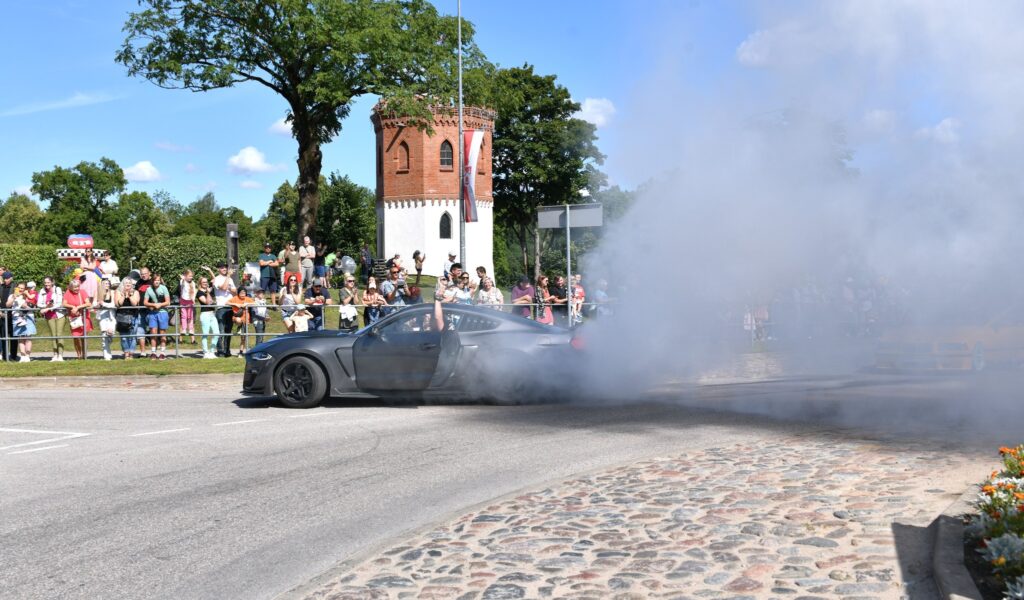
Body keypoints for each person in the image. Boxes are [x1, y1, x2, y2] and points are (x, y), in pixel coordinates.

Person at [207, 262, 237, 357]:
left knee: (228, 331)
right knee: (220, 331)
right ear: (218, 269)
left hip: (230, 307)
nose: (224, 269)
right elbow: (224, 288)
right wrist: (227, 282)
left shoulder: (230, 279)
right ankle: (220, 351)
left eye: (225, 267)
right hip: (221, 307)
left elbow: (235, 292)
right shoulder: (216, 279)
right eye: (222, 267)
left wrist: (228, 286)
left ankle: (227, 351)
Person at [35, 276, 65, 361]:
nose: (46, 284)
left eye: (48, 282)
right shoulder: (42, 291)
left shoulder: (57, 289)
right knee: (53, 335)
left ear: (52, 282)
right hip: (49, 315)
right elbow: (39, 304)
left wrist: (47, 308)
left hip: (59, 314)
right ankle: (55, 354)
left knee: (59, 334)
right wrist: (47, 306)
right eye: (45, 283)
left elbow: (59, 303)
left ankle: (60, 355)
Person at [63, 277, 92, 359]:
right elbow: (64, 304)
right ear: (71, 287)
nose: (77, 289)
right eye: (75, 287)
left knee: (83, 337)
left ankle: (84, 355)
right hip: (74, 318)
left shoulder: (82, 292)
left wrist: (78, 307)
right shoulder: (68, 293)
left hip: (83, 317)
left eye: (78, 287)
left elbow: (88, 303)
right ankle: (78, 354)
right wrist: (72, 306)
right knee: (75, 337)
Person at [144, 274, 172, 360]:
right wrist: (153, 304)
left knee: (162, 332)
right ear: (152, 281)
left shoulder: (164, 288)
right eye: (155, 280)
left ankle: (163, 352)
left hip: (163, 312)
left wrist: (160, 304)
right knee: (153, 332)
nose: (157, 282)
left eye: (158, 280)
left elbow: (168, 302)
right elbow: (145, 302)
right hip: (153, 313)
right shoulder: (148, 289)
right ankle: (153, 352)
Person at [7, 282, 35, 362]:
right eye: (19, 288)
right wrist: (13, 298)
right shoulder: (12, 295)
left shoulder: (29, 296)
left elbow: (32, 306)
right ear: (16, 288)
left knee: (28, 337)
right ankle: (22, 356)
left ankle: (27, 356)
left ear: (25, 289)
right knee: (20, 338)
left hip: (28, 317)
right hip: (17, 318)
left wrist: (26, 304)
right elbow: (8, 305)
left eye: (22, 288)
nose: (20, 289)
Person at [116, 278, 142, 359]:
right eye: (126, 283)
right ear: (123, 284)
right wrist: (124, 295)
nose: (128, 284)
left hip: (133, 316)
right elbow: (118, 304)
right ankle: (126, 353)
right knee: (124, 337)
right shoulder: (118, 292)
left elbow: (135, 304)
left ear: (132, 284)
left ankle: (131, 353)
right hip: (122, 317)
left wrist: (130, 295)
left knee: (132, 336)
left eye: (129, 283)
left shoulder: (136, 292)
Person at [195, 276, 218, 358]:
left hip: (212, 314)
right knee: (205, 334)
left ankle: (212, 351)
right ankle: (206, 352)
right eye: (203, 282)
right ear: (200, 283)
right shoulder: (199, 293)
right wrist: (208, 293)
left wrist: (210, 270)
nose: (205, 283)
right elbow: (208, 302)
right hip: (205, 314)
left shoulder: (208, 290)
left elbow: (214, 279)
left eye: (206, 282)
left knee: (216, 333)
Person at [227, 287, 255, 355]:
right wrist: (235, 304)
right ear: (238, 293)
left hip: (245, 319)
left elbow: (255, 303)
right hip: (237, 317)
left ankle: (241, 352)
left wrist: (247, 304)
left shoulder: (247, 299)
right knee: (239, 320)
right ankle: (239, 327)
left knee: (243, 337)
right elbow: (226, 302)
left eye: (244, 292)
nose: (243, 294)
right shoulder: (235, 298)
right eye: (241, 292)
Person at [97, 277, 119, 360]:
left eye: (108, 284)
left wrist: (104, 304)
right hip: (102, 317)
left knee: (110, 334)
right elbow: (94, 303)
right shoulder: (98, 293)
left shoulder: (113, 292)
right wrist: (97, 305)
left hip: (111, 317)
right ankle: (107, 356)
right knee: (104, 336)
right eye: (105, 283)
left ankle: (108, 349)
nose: (107, 285)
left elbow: (114, 305)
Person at [135, 266, 153, 356]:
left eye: (145, 273)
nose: (143, 275)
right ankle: (143, 352)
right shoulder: (138, 282)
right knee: (140, 331)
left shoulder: (154, 282)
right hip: (141, 310)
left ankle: (154, 352)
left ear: (149, 273)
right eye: (142, 274)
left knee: (153, 330)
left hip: (152, 311)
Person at [257, 242, 281, 307]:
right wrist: (270, 261)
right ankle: (261, 304)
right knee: (262, 291)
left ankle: (274, 305)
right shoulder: (261, 255)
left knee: (273, 291)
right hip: (264, 275)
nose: (268, 248)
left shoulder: (273, 256)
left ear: (271, 248)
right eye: (266, 247)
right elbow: (261, 263)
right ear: (264, 248)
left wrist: (267, 263)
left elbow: (277, 264)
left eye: (269, 247)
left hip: (272, 276)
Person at [0, 271, 16, 361]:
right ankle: (5, 356)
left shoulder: (15, 287)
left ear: (11, 278)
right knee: (3, 336)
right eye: (4, 278)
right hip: (2, 315)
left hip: (13, 315)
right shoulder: (1, 287)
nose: (5, 280)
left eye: (7, 278)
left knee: (14, 337)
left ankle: (13, 356)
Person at [178, 269, 197, 344]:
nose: (191, 277)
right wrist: (182, 279)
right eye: (189, 276)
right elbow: (182, 285)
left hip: (190, 301)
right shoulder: (182, 281)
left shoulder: (193, 283)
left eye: (192, 276)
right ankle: (184, 329)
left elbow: (194, 292)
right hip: (183, 301)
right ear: (185, 276)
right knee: (184, 316)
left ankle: (191, 330)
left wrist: (193, 300)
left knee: (190, 317)